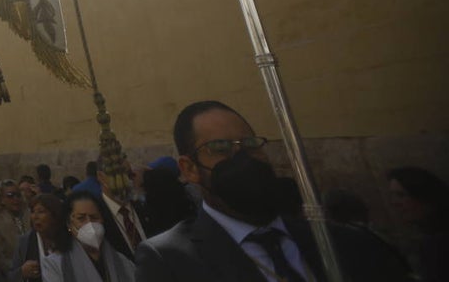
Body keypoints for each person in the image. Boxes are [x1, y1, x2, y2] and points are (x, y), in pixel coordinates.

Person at [134, 100, 411, 282]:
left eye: (251, 144)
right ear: (190, 168)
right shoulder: (170, 262)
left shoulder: (345, 243)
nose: (242, 157)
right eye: (220, 149)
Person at [387, 166, 449, 282]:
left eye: (401, 195)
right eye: (392, 196)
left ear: (425, 196)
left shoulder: (439, 243)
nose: (394, 202)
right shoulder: (429, 238)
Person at [61, 190, 134, 282]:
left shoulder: (122, 261)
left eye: (94, 217)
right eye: (81, 218)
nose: (89, 223)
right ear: (69, 224)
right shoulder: (57, 264)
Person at [94, 158, 146, 257]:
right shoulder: (96, 216)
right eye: (119, 175)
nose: (126, 181)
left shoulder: (143, 207)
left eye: (129, 175)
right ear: (101, 177)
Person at [9, 194, 67, 282]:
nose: (35, 217)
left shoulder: (68, 239)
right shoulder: (25, 242)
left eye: (41, 212)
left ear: (54, 216)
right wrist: (22, 272)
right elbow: (10, 277)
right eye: (32, 211)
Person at [0, 179, 29, 281]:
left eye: (18, 195)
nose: (15, 199)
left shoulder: (27, 215)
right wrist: (20, 269)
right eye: (10, 195)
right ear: (1, 199)